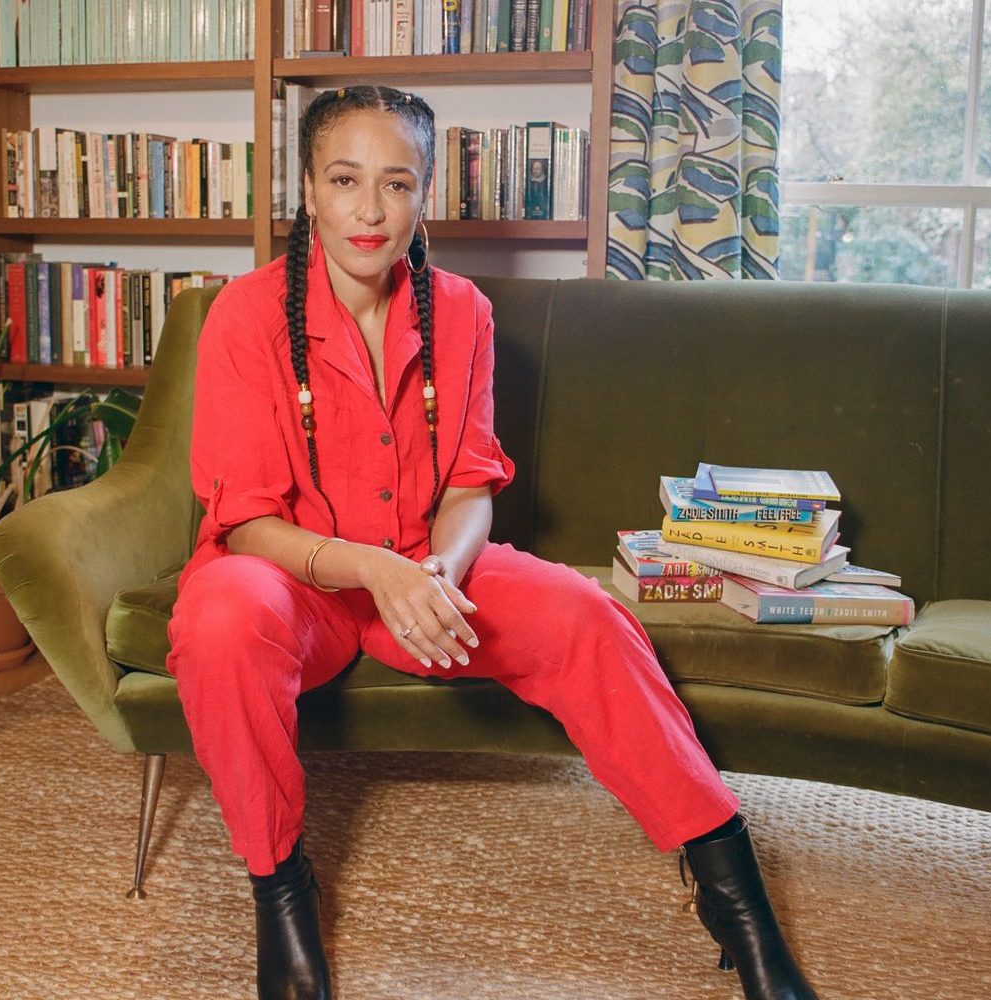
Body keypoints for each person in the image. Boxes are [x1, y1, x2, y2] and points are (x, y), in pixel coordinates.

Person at [165, 85, 818, 1000]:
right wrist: (374, 572)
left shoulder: (462, 310)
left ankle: (736, 904)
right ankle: (281, 889)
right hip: (293, 580)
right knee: (221, 621)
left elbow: (471, 484)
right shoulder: (242, 313)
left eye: (397, 184)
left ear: (424, 195)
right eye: (345, 180)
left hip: (428, 571)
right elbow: (247, 520)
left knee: (589, 616)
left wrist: (435, 569)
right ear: (308, 190)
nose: (369, 208)